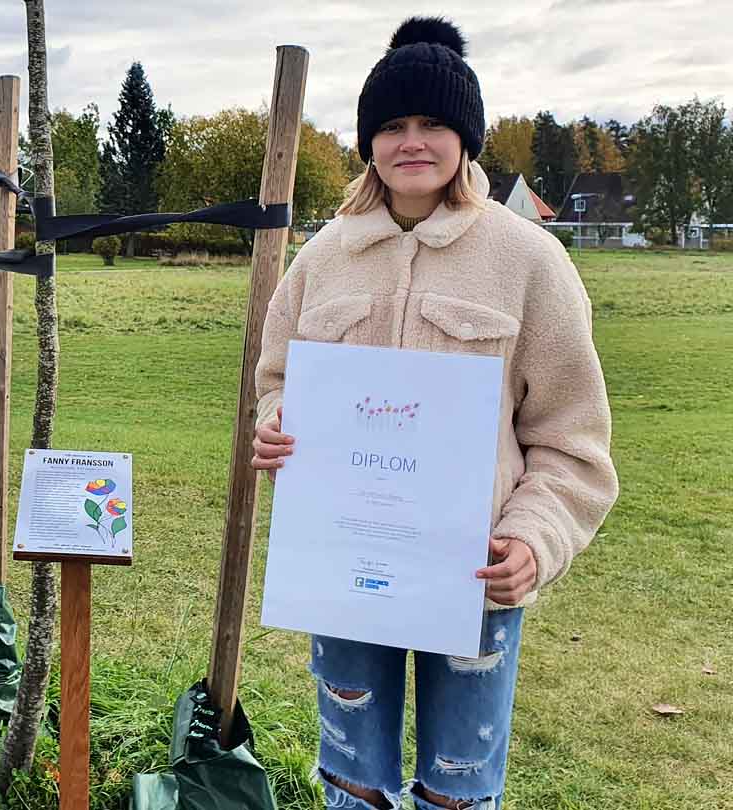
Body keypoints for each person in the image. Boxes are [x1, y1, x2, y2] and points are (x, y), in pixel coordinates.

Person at [251, 17, 618, 810]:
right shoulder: (322, 258)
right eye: (391, 126)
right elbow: (278, 382)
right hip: (344, 567)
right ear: (367, 143)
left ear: (466, 137)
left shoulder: (530, 262)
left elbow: (573, 443)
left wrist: (534, 540)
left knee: (461, 787)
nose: (411, 142)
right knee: (352, 780)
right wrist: (278, 426)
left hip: (472, 575)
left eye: (432, 123)